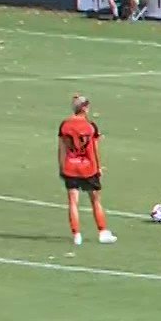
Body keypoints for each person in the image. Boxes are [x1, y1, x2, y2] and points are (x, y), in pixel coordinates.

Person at [58, 95, 115, 246]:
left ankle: (76, 234)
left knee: (72, 202)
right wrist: (98, 168)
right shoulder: (90, 126)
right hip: (88, 168)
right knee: (95, 200)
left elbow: (62, 148)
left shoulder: (64, 125)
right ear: (84, 108)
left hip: (70, 167)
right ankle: (102, 232)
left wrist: (62, 167)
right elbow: (93, 151)